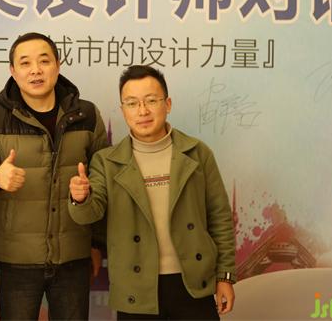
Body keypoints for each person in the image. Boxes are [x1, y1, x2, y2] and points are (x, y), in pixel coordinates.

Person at [0, 32, 109, 320]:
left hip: (74, 257)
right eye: (25, 63)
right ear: (13, 71)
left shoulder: (87, 115)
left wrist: (96, 243)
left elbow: (105, 181)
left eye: (44, 61)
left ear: (58, 65)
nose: (35, 70)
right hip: (17, 262)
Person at [68, 65, 236, 320]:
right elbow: (90, 214)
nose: (142, 111)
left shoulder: (197, 153)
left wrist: (225, 276)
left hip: (193, 283)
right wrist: (80, 198)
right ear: (123, 110)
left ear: (167, 104)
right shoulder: (107, 161)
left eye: (151, 101)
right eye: (132, 103)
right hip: (136, 287)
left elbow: (220, 217)